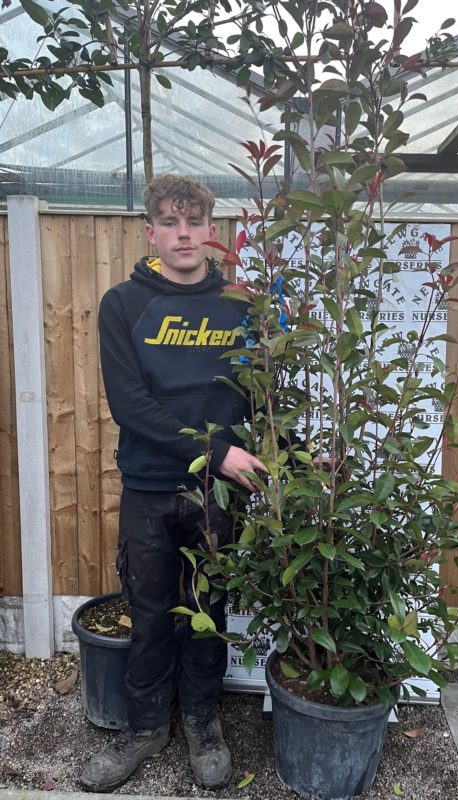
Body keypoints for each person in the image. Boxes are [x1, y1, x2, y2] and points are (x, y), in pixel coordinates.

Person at [80, 174, 265, 793]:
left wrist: (286, 456)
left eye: (194, 223)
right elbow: (131, 406)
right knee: (153, 610)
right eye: (169, 222)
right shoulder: (123, 305)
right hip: (153, 484)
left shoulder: (241, 306)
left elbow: (261, 398)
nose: (183, 234)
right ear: (150, 231)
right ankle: (144, 728)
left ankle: (203, 724)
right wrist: (216, 452)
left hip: (218, 494)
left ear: (213, 233)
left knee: (210, 606)